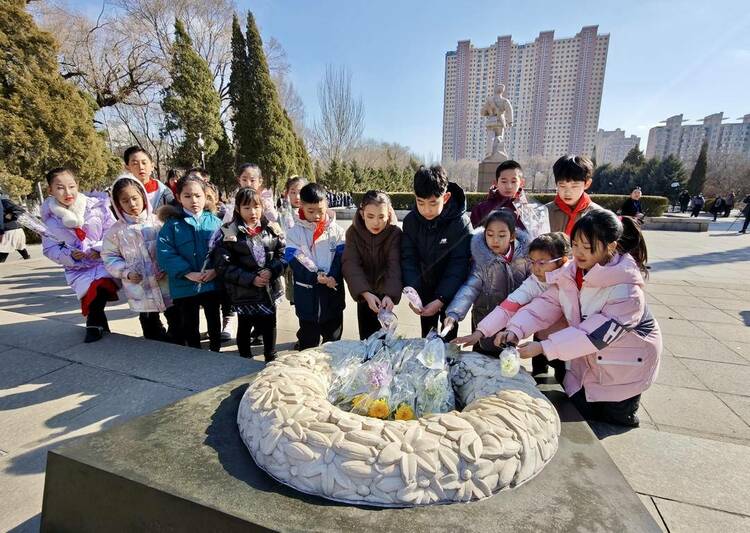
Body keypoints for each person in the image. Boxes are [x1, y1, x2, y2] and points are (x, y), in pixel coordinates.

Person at [497, 210, 662, 427]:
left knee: (613, 424)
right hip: (587, 366)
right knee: (582, 423)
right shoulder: (573, 273)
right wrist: (515, 329)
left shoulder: (628, 292)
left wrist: (543, 348)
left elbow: (593, 336)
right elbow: (545, 305)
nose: (579, 253)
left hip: (624, 370)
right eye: (575, 245)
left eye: (587, 247)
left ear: (610, 246)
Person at [453, 232, 570, 352]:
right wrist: (481, 332)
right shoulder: (535, 282)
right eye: (533, 262)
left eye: (541, 263)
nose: (535, 268)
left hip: (570, 344)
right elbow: (509, 307)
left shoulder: (573, 282)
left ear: (562, 261)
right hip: (545, 340)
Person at [41, 168, 119, 343]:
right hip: (76, 268)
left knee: (100, 287)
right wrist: (71, 256)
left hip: (101, 261)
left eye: (71, 186)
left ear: (78, 185)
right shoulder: (50, 220)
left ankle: (92, 324)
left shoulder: (97, 207)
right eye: (60, 188)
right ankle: (100, 326)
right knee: (91, 294)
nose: (67, 192)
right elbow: (49, 249)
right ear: (50, 190)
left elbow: (112, 231)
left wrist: (97, 249)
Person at [102, 174, 178, 342]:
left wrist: (168, 267)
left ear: (143, 196)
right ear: (117, 204)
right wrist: (126, 272)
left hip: (166, 283)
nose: (132, 204)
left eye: (135, 198)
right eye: (125, 201)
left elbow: (173, 248)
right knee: (150, 327)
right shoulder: (115, 232)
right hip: (139, 288)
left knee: (177, 320)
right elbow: (109, 257)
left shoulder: (159, 222)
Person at [442, 209, 529, 353]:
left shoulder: (524, 258)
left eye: (501, 235)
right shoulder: (482, 260)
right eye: (490, 235)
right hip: (484, 315)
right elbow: (470, 288)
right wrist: (453, 314)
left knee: (506, 357)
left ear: (512, 236)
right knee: (481, 351)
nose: (495, 240)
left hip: (513, 320)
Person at [213, 188, 285, 361]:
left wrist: (271, 270)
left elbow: (282, 256)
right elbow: (223, 266)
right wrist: (251, 279)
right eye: (247, 207)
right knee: (244, 326)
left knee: (269, 325)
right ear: (237, 209)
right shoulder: (229, 232)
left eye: (256, 206)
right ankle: (245, 359)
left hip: (268, 290)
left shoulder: (271, 229)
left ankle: (270, 356)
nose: (253, 212)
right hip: (243, 291)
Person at [401, 165, 472, 341]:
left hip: (451, 294)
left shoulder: (460, 223)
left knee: (447, 339)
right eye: (420, 202)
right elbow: (408, 258)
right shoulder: (411, 221)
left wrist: (441, 298)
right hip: (424, 292)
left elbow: (459, 264)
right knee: (428, 339)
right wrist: (414, 294)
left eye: (433, 203)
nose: (426, 210)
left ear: (446, 197)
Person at [157, 175, 223, 351]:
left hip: (211, 282)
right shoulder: (172, 225)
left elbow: (224, 250)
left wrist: (216, 270)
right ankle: (195, 354)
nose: (193, 200)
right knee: (189, 324)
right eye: (187, 196)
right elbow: (165, 253)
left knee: (214, 321)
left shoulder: (216, 222)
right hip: (184, 285)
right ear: (179, 198)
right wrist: (187, 273)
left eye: (198, 195)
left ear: (205, 196)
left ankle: (215, 350)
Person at [285, 182, 346, 349]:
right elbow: (295, 257)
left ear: (326, 204)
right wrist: (316, 275)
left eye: (320, 210)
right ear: (301, 206)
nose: (317, 215)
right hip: (307, 295)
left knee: (332, 343)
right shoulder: (295, 233)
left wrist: (332, 275)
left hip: (332, 293)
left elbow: (341, 257)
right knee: (308, 343)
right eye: (311, 211)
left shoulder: (336, 231)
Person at [342, 191, 402, 340]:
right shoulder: (353, 233)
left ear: (388, 214)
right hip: (365, 295)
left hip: (386, 295)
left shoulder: (394, 233)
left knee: (385, 340)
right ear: (362, 214)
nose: (376, 222)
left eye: (381, 216)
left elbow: (394, 265)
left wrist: (390, 294)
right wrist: (365, 293)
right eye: (370, 216)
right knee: (367, 339)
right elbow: (351, 264)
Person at [546, 155, 601, 236]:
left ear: (587, 184)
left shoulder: (598, 215)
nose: (567, 192)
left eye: (574, 186)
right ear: (556, 184)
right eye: (562, 186)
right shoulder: (545, 212)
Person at [470, 160, 525, 230]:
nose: (509, 186)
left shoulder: (528, 212)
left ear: (521, 183)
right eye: (504, 181)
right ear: (495, 183)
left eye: (513, 181)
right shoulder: (480, 209)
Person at [0, 197, 31, 262]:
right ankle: (27, 259)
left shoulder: (4, 201)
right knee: (20, 247)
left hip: (10, 230)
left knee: (3, 250)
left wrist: (10, 216)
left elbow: (20, 210)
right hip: (10, 230)